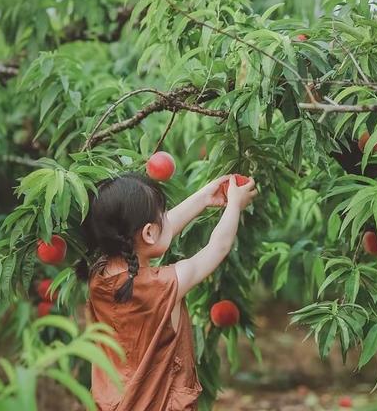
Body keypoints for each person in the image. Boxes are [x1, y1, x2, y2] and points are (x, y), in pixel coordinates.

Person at [76, 172, 257, 411]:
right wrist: (235, 206)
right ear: (149, 232)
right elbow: (218, 248)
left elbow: (156, 235)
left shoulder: (98, 278)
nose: (168, 220)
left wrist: (204, 197)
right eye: (164, 216)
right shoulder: (163, 285)